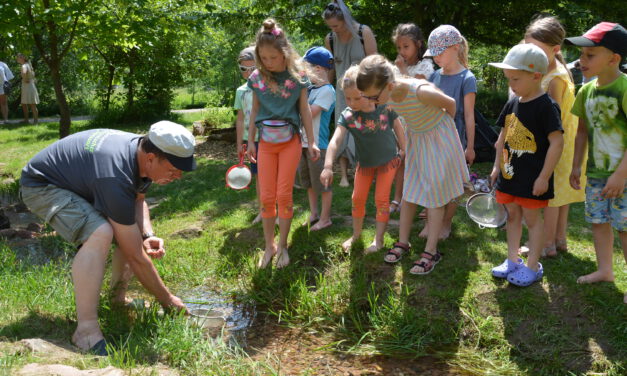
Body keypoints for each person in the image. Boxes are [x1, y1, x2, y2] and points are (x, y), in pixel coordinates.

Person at [20, 121, 195, 355]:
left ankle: (116, 299)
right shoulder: (115, 174)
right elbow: (135, 256)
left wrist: (148, 234)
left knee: (127, 233)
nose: (178, 176)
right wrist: (168, 300)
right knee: (101, 232)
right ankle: (86, 331)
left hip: (77, 183)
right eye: (173, 171)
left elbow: (137, 200)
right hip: (41, 186)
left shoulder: (142, 152)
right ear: (152, 159)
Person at [356, 55, 468, 274]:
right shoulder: (386, 93)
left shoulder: (419, 91)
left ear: (388, 85)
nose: (372, 102)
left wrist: (443, 134)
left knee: (435, 195)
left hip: (438, 138)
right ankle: (403, 242)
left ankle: (431, 250)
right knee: (410, 191)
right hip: (418, 139)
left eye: (373, 97)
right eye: (367, 97)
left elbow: (451, 105)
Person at [246, 19, 320, 269]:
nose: (268, 62)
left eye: (273, 57)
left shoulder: (297, 77)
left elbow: (305, 111)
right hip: (265, 142)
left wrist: (311, 142)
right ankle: (269, 246)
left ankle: (284, 247)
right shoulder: (257, 77)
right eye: (264, 58)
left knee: (283, 195)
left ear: (285, 54)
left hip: (290, 142)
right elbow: (254, 109)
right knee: (267, 197)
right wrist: (251, 141)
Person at [488, 44, 564, 287]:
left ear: (536, 76)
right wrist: (496, 167)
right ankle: (512, 261)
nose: (511, 84)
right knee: (512, 217)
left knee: (532, 219)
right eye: (509, 78)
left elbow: (556, 143)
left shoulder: (547, 106)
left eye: (516, 79)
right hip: (510, 176)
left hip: (533, 179)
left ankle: (532, 266)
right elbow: (501, 138)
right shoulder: (512, 103)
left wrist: (544, 176)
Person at [565, 22, 627, 303]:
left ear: (614, 59)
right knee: (598, 222)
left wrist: (620, 176)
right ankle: (605, 270)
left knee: (624, 226)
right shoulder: (585, 91)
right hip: (596, 173)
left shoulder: (625, 88)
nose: (582, 60)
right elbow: (581, 132)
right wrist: (577, 165)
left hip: (622, 175)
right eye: (582, 54)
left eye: (591, 55)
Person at [320, 65, 405, 253]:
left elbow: (398, 128)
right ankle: (356, 235)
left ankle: (379, 240)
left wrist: (404, 151)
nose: (351, 102)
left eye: (356, 98)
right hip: (364, 164)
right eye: (347, 98)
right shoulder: (348, 116)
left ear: (367, 91)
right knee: (357, 198)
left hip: (387, 163)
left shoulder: (385, 107)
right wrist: (327, 165)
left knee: (381, 200)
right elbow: (335, 140)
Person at [524, 16, 586, 257]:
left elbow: (553, 117)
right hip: (563, 142)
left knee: (551, 196)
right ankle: (559, 240)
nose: (532, 54)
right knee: (560, 195)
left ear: (555, 49)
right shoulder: (554, 71)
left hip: (556, 144)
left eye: (537, 50)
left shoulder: (555, 77)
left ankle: (547, 243)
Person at [422, 25, 477, 240]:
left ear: (455, 48)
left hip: (455, 140)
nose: (436, 58)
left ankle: (446, 223)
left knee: (453, 186)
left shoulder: (467, 78)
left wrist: (470, 147)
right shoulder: (434, 76)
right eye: (433, 54)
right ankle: (430, 222)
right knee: (432, 182)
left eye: (440, 52)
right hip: (431, 139)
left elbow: (469, 116)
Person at [323, 0, 377, 188]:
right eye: (330, 26)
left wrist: (375, 94)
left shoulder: (364, 32)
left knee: (363, 131)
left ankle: (363, 171)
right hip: (341, 93)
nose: (334, 30)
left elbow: (374, 65)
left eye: (336, 25)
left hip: (363, 92)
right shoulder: (330, 38)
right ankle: (344, 176)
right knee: (343, 131)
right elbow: (330, 70)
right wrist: (321, 87)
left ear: (345, 19)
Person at [389, 23, 434, 213]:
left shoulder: (426, 65)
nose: (402, 51)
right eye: (399, 47)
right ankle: (398, 198)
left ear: (418, 44)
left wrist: (403, 72)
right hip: (401, 122)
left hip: (419, 122)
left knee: (422, 162)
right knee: (402, 160)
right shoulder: (398, 67)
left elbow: (417, 89)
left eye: (406, 46)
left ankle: (427, 202)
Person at [300, 46, 335, 231]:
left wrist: (300, 93)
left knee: (323, 184)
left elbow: (309, 113)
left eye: (306, 68)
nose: (303, 73)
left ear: (319, 69)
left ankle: (325, 217)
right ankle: (314, 213)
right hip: (303, 143)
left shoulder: (327, 91)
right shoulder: (311, 89)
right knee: (309, 183)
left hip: (318, 145)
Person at [234, 46, 262, 224]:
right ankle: (263, 210)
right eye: (244, 69)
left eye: (253, 68)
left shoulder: (265, 87)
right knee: (259, 176)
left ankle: (275, 209)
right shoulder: (241, 91)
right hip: (251, 141)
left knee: (271, 177)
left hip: (269, 138)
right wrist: (239, 144)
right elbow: (240, 118)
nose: (249, 72)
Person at [16, 53, 39, 124]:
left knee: (31, 104)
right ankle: (28, 120)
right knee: (25, 103)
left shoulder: (24, 65)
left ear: (22, 58)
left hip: (27, 86)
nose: (17, 59)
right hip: (30, 86)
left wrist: (25, 78)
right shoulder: (28, 64)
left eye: (18, 57)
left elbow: (24, 71)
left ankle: (34, 121)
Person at [0, 60, 13, 124]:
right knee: (4, 103)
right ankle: (5, 119)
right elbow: (10, 77)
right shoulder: (3, 64)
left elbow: (9, 76)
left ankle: (6, 119)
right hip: (3, 85)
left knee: (4, 103)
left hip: (3, 86)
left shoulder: (3, 64)